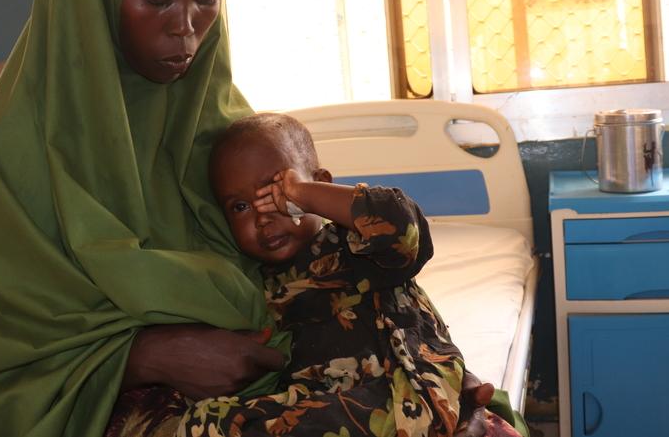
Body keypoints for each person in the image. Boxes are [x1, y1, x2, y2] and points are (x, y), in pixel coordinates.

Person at [0, 0, 500, 436]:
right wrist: (147, 354)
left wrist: (420, 353)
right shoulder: (22, 144)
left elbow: (324, 256)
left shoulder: (222, 127)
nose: (186, 28)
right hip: (87, 403)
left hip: (271, 374)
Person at [173, 113, 525, 437]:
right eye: (240, 207)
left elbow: (405, 229)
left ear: (320, 184)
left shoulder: (357, 244)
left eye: (276, 193)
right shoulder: (254, 284)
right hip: (331, 410)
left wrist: (303, 194)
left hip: (411, 391)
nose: (263, 217)